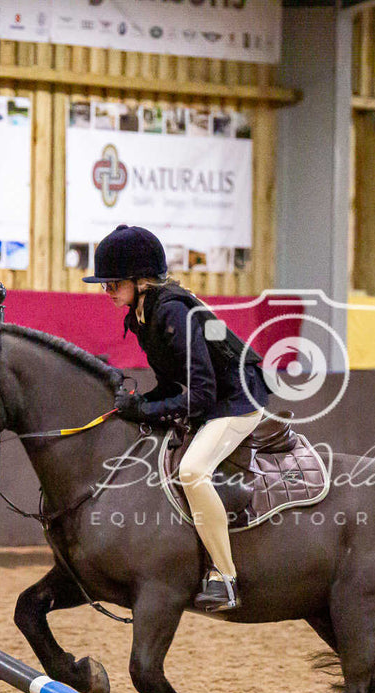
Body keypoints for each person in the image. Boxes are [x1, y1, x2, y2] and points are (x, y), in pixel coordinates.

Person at [83, 224, 270, 612]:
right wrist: (140, 403)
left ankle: (226, 577)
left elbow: (201, 395)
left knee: (193, 470)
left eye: (113, 283)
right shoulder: (141, 315)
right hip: (214, 396)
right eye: (105, 284)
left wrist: (149, 410)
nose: (106, 290)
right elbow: (173, 384)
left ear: (140, 280)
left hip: (238, 398)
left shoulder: (170, 310)